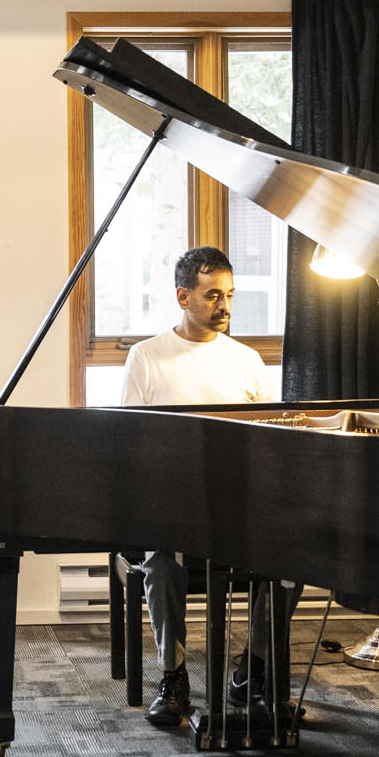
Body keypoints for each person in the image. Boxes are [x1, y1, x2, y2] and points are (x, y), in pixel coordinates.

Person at [121, 245, 296, 727]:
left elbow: (269, 439)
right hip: (173, 509)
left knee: (292, 560)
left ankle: (253, 671)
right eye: (213, 295)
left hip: (238, 508)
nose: (225, 306)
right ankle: (173, 678)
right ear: (183, 296)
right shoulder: (146, 357)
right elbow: (132, 445)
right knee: (160, 563)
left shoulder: (247, 360)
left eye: (230, 295)